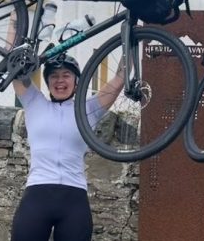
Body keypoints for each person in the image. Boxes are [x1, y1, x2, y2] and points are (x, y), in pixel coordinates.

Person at [9, 53, 125, 241]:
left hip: (74, 200)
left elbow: (120, 77)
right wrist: (15, 22)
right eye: (54, 75)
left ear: (77, 80)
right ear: (47, 82)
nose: (60, 80)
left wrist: (132, 31)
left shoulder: (89, 109)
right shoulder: (34, 102)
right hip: (37, 196)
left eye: (66, 75)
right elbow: (12, 62)